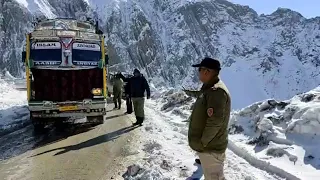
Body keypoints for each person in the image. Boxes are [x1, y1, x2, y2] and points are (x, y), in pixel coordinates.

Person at [184, 57, 231, 180]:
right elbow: (202, 96)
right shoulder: (209, 88)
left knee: (214, 177)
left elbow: (215, 122)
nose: (198, 72)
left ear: (207, 71)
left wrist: (202, 143)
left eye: (199, 69)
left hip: (211, 148)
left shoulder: (216, 91)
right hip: (209, 146)